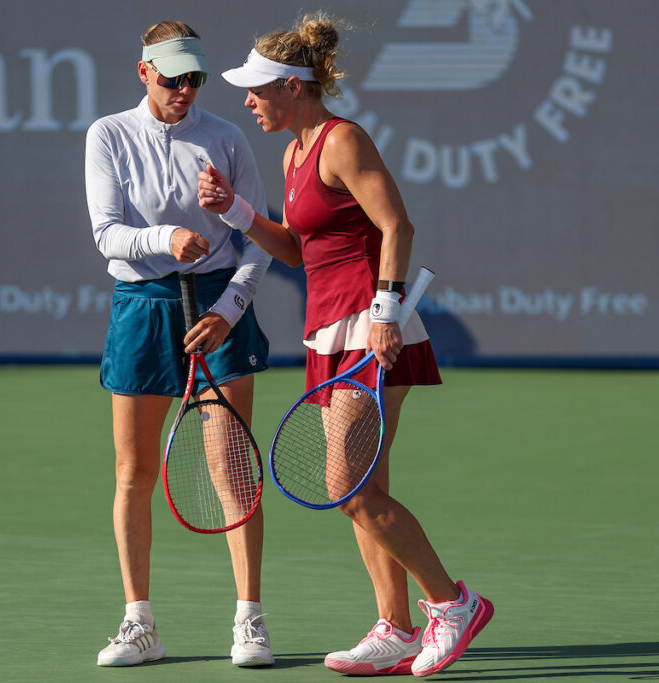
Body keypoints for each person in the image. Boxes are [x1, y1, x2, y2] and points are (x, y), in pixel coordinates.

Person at [197, 12, 494, 678]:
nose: (247, 101)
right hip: (327, 333)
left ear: (295, 87)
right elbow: (302, 253)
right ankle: (395, 625)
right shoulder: (294, 152)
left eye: (257, 90)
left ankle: (454, 602)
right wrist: (237, 214)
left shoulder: (341, 141)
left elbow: (397, 224)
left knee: (349, 487)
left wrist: (385, 312)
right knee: (366, 488)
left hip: (370, 325)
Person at [84, 21, 274, 668]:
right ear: (144, 73)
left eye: (194, 78)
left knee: (231, 470)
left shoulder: (226, 137)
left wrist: (228, 309)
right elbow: (108, 232)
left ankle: (250, 621)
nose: (185, 90)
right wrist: (164, 237)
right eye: (173, 79)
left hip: (220, 308)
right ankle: (140, 624)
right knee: (133, 472)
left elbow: (258, 245)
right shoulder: (108, 135)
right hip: (143, 306)